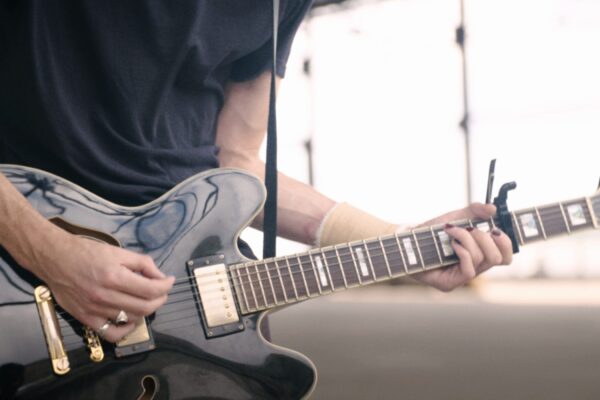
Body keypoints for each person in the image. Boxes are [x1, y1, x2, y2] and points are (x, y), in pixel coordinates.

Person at [0, 1, 512, 345]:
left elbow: (236, 162)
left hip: (184, 305)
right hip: (23, 280)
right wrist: (51, 253)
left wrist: (400, 246)